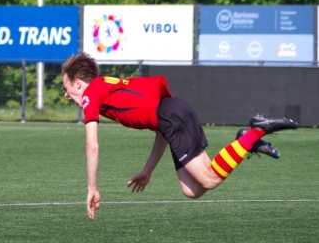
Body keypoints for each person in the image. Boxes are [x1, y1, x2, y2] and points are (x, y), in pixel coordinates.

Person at [61, 52, 298, 220]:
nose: (66, 94)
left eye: (66, 88)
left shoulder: (92, 93)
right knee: (192, 190)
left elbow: (92, 145)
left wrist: (92, 188)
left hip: (172, 117)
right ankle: (246, 140)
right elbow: (161, 130)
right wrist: (148, 170)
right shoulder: (106, 87)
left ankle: (256, 131)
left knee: (209, 180)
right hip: (174, 114)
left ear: (79, 83)